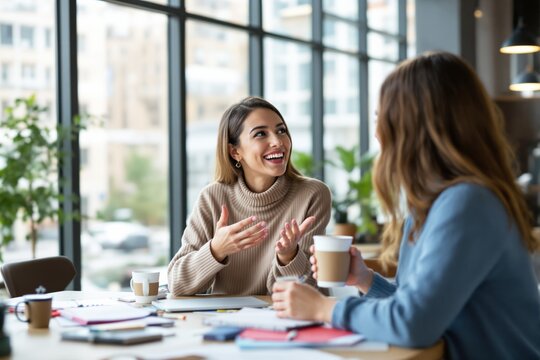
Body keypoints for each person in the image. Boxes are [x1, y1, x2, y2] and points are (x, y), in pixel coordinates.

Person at [271, 52, 540, 359]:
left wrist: (323, 308)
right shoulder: (433, 204)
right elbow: (416, 306)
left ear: (413, 126)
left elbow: (414, 324)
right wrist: (365, 280)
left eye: (381, 118)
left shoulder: (468, 203)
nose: (376, 132)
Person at [168, 96, 331, 296]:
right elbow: (177, 284)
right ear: (235, 151)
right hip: (225, 321)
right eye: (261, 134)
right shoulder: (212, 197)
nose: (277, 141)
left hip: (285, 319)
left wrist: (288, 257)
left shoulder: (312, 195)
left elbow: (309, 292)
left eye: (281, 130)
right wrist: (216, 250)